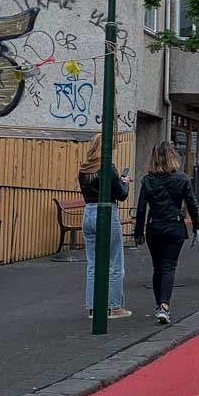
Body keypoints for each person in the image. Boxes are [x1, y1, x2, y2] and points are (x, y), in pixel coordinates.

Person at [134, 141, 199, 325]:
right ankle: (165, 305)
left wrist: (138, 232)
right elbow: (192, 205)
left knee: (157, 268)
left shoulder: (148, 180)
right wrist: (197, 226)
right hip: (175, 227)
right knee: (169, 266)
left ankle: (159, 305)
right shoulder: (182, 179)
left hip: (154, 227)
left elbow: (141, 209)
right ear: (173, 157)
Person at [78, 133, 132, 320]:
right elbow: (121, 195)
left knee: (93, 264)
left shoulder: (83, 170)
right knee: (115, 263)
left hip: (88, 213)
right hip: (107, 212)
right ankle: (114, 306)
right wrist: (125, 183)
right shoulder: (108, 168)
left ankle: (93, 307)